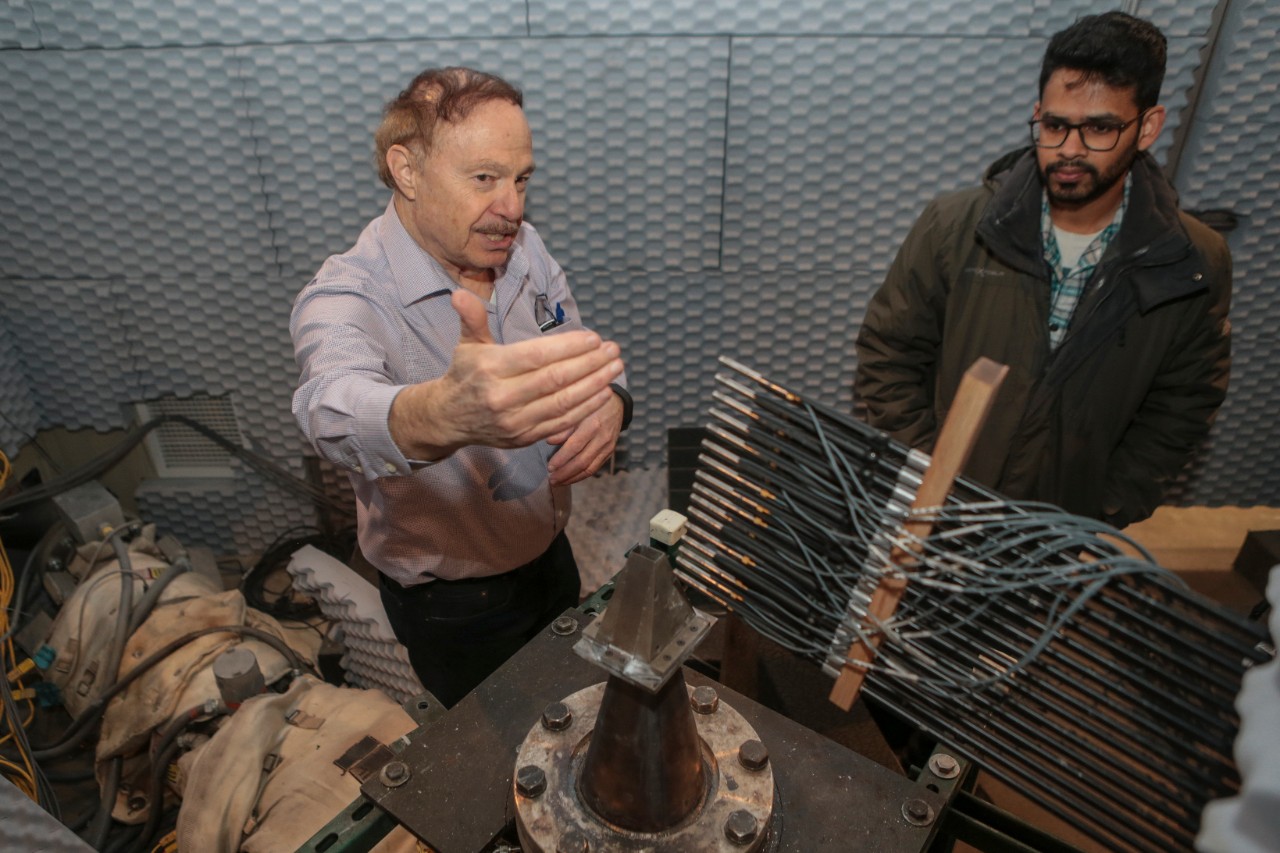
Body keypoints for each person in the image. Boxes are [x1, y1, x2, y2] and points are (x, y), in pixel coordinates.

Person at [290, 67, 631, 708]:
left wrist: (612, 402)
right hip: (458, 606)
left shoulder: (524, 250)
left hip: (553, 554)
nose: (514, 207)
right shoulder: (347, 294)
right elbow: (327, 409)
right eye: (484, 179)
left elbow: (582, 351)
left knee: (572, 710)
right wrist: (445, 413)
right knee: (500, 753)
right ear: (407, 170)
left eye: (521, 178)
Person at [855, 12, 1231, 529]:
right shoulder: (955, 226)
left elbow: (1184, 403)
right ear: (1037, 114)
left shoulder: (1194, 260)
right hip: (932, 517)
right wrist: (926, 475)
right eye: (1055, 125)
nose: (1070, 149)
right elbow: (888, 354)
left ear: (1148, 127)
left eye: (1100, 128)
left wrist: (1107, 507)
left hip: (1059, 538)